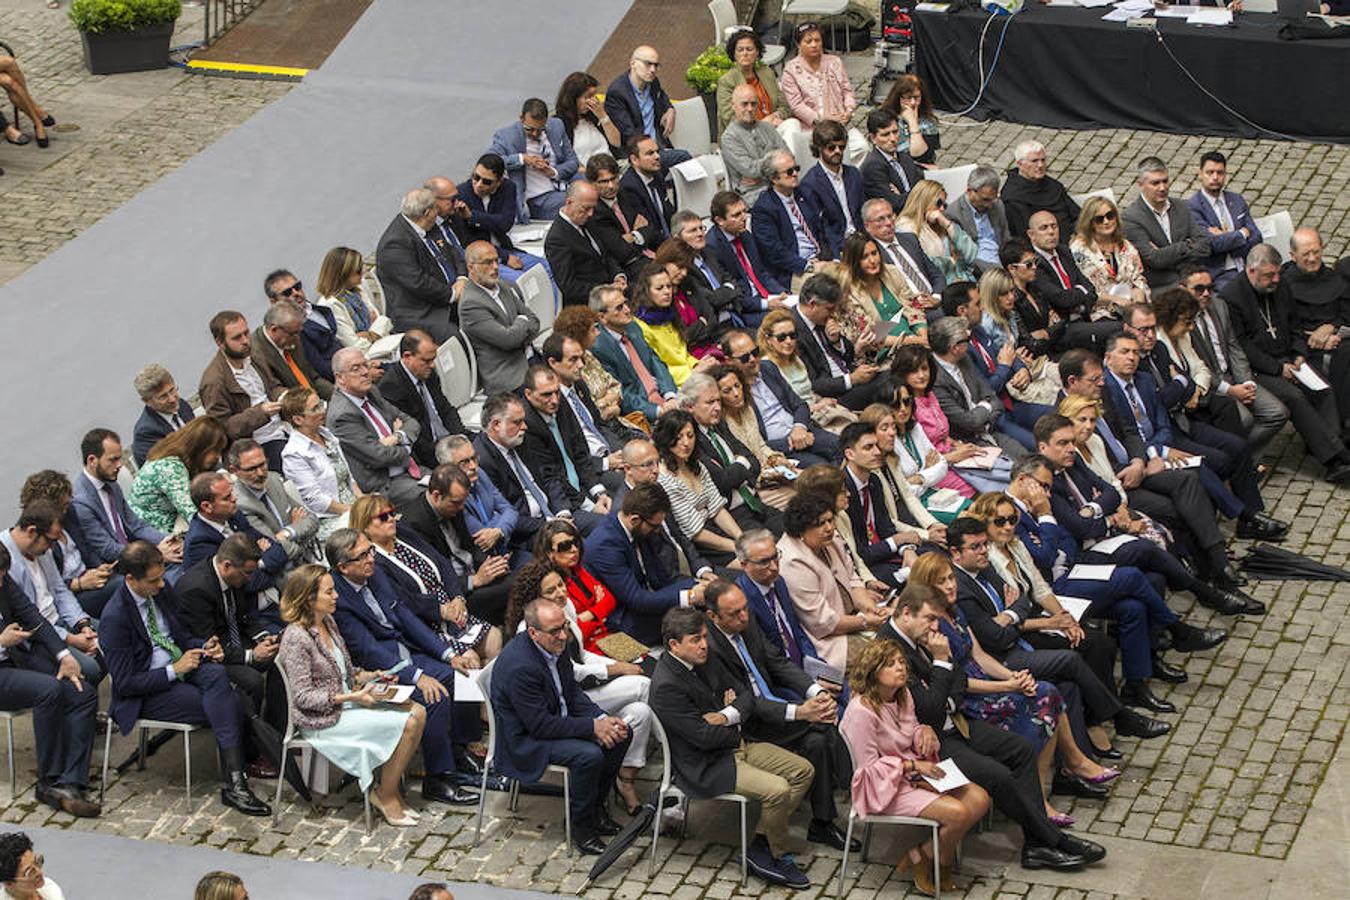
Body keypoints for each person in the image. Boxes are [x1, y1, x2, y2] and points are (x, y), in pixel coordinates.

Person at [879, 583, 1106, 872]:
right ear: (907, 613)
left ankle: (1037, 845)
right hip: (928, 746)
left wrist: (944, 685)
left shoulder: (918, 635)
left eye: (937, 619)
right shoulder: (890, 647)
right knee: (998, 774)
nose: (936, 627)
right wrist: (941, 662)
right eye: (930, 619)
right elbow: (929, 708)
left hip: (955, 723)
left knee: (1020, 749)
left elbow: (958, 683)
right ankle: (1054, 840)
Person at [906, 550, 1103, 827]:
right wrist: (1006, 685)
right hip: (969, 699)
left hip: (988, 680)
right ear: (926, 587)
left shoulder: (955, 611)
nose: (951, 585)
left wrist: (1014, 677)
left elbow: (979, 655)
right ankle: (1045, 790)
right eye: (942, 581)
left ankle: (1056, 775)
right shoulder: (929, 626)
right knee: (1044, 698)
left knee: (1045, 691)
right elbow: (957, 681)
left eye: (951, 578)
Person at [101, 541, 272, 815]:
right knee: (230, 700)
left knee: (218, 676)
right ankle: (236, 781)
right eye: (153, 580)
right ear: (131, 579)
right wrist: (174, 670)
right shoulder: (115, 618)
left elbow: (179, 634)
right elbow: (125, 684)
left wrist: (204, 645)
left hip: (183, 664)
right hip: (150, 689)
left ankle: (235, 780)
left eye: (161, 577)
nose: (160, 585)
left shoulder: (162, 590)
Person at [649, 606, 814, 888]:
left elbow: (745, 694)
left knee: (803, 771)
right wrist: (734, 718)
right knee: (778, 790)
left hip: (733, 743)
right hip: (705, 765)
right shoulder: (667, 685)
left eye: (703, 636)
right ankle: (777, 855)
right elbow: (702, 737)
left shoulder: (704, 657)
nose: (704, 644)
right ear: (674, 645)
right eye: (695, 639)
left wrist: (727, 716)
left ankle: (761, 844)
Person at [702, 579, 856, 850]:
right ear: (713, 616)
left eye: (745, 609)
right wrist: (800, 712)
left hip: (773, 702)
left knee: (818, 736)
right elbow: (746, 702)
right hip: (748, 725)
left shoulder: (746, 624)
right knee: (822, 726)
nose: (744, 617)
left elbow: (777, 662)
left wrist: (814, 692)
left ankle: (823, 821)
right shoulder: (709, 649)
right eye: (734, 613)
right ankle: (848, 790)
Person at [276, 561, 428, 825]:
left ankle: (387, 790)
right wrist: (352, 698)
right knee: (410, 721)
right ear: (309, 599)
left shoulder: (329, 622)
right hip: (323, 719)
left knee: (418, 710)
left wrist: (371, 676)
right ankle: (386, 794)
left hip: (348, 703)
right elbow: (303, 697)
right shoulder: (295, 638)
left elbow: (343, 670)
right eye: (329, 592)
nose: (336, 596)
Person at [502, 558, 653, 816]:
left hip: (570, 699)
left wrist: (603, 718)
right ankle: (589, 814)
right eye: (551, 591)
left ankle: (623, 777)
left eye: (561, 585)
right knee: (640, 688)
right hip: (543, 725)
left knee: (637, 714)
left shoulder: (561, 616)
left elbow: (576, 661)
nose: (561, 593)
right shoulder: (532, 639)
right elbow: (545, 714)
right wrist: (612, 672)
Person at [1100, 332, 1286, 541]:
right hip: (1139, 458)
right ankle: (1246, 517)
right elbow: (1124, 437)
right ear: (1108, 358)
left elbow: (1162, 423)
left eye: (1135, 352)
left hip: (1164, 442)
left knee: (1232, 449)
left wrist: (1162, 448)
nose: (1132, 358)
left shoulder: (1144, 380)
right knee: (1197, 469)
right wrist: (1156, 453)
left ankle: (1249, 515)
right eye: (1124, 352)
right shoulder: (1106, 390)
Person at [841, 638, 990, 893]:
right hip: (882, 785)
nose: (900, 668)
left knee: (980, 799)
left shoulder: (902, 695)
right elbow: (868, 768)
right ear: (873, 671)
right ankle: (939, 863)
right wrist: (912, 766)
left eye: (901, 662)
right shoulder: (860, 712)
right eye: (891, 664)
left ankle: (920, 854)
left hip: (910, 774)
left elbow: (911, 729)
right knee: (958, 814)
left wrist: (925, 730)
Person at [490, 598, 631, 855]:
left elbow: (572, 693)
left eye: (564, 626)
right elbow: (540, 726)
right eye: (555, 631)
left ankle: (595, 808)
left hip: (555, 720)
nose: (564, 635)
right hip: (527, 739)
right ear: (533, 632)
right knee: (588, 756)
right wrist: (591, 728)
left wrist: (600, 719)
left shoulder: (555, 645)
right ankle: (582, 827)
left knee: (620, 734)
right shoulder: (520, 667)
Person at [1221, 245, 1350, 479]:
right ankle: (1334, 461)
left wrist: (1299, 352)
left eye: (1277, 274)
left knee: (1323, 389)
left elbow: (1295, 324)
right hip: (1261, 369)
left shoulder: (1280, 287)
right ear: (1251, 272)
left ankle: (1331, 446)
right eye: (1269, 276)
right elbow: (1242, 346)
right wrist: (1279, 368)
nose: (1276, 280)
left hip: (1289, 358)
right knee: (1294, 397)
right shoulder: (1232, 298)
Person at [0, 545, 100, 818]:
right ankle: (49, 779)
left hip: (14, 661)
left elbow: (32, 616)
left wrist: (64, 655)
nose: (0, 583)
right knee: (49, 690)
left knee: (83, 691)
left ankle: (71, 781)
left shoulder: (3, 580)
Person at [353, 493, 502, 666]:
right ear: (365, 527)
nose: (391, 519)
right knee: (471, 662)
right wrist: (442, 610)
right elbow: (404, 601)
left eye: (392, 513)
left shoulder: (402, 532)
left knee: (495, 639)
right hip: (427, 624)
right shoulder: (373, 562)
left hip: (453, 609)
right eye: (383, 517)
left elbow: (442, 563)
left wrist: (457, 598)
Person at [777, 491, 887, 670]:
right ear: (801, 529)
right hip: (831, 640)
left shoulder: (831, 539)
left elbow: (853, 579)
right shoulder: (791, 562)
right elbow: (823, 623)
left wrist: (871, 608)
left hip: (855, 619)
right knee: (888, 655)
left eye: (830, 520)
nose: (829, 528)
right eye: (821, 524)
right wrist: (866, 621)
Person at [583, 483, 703, 646]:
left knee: (713, 596)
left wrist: (697, 585)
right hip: (623, 623)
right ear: (634, 520)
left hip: (648, 600)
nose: (658, 530)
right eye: (655, 526)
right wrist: (690, 596)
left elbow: (662, 579)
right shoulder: (605, 547)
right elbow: (638, 600)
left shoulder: (641, 528)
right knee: (698, 622)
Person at [395, 464, 514, 627]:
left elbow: (470, 545)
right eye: (456, 502)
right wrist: (475, 580)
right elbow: (435, 578)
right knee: (519, 583)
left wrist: (493, 563)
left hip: (474, 575)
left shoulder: (454, 507)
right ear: (437, 496)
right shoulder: (414, 524)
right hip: (458, 595)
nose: (462, 508)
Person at [0, 505, 104, 687]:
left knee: (115, 637)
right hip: (35, 639)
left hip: (59, 621)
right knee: (89, 669)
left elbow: (61, 591)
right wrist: (70, 640)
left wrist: (82, 624)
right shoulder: (6, 559)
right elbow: (26, 618)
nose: (51, 548)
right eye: (50, 541)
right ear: (32, 531)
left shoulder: (41, 550)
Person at [891, 345, 1005, 494]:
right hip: (935, 468)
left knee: (1002, 470)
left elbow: (942, 434)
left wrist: (959, 445)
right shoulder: (905, 406)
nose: (921, 375)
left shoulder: (930, 394)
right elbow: (920, 458)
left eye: (924, 369)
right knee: (981, 490)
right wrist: (953, 456)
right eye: (914, 371)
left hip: (952, 454)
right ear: (902, 374)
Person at [68, 429, 182, 570]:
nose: (120, 465)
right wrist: (156, 554)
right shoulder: (81, 502)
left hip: (134, 552)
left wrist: (166, 541)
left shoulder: (111, 484)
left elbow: (136, 525)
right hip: (116, 566)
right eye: (113, 460)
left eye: (120, 458)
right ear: (92, 460)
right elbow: (107, 549)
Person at [328, 347, 424, 506]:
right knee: (440, 493)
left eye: (365, 365)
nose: (365, 372)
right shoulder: (342, 416)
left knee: (455, 477)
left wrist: (397, 437)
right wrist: (407, 446)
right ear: (340, 378)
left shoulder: (371, 392)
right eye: (355, 369)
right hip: (385, 485)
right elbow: (380, 456)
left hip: (407, 468)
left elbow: (411, 422)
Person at [519, 367, 610, 533]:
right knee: (608, 525)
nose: (554, 400)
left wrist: (598, 492)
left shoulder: (560, 403)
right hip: (563, 500)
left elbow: (580, 450)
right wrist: (589, 505)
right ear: (528, 394)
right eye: (546, 394)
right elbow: (550, 475)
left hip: (582, 482)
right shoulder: (526, 423)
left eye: (556, 392)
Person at [653, 409, 744, 564]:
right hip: (700, 545)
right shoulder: (664, 478)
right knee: (755, 564)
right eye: (678, 437)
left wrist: (741, 539)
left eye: (690, 435)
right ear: (666, 439)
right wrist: (736, 547)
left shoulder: (697, 466)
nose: (686, 443)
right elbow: (695, 532)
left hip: (716, 530)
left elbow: (717, 508)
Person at [376, 187, 465, 343]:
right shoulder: (395, 244)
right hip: (419, 310)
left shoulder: (428, 225)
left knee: (484, 308)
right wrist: (452, 294)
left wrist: (463, 278)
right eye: (435, 209)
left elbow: (452, 252)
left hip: (448, 292)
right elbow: (418, 282)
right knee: (454, 336)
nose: (437, 213)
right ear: (427, 213)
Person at [793, 272, 892, 410]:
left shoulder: (823, 320)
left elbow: (849, 354)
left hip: (850, 376)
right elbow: (813, 382)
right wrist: (852, 379)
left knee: (903, 367)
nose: (833, 313)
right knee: (892, 381)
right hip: (835, 396)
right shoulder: (792, 332)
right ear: (813, 304)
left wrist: (836, 341)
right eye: (830, 309)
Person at [860, 400, 969, 526]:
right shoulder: (870, 468)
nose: (892, 433)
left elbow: (941, 464)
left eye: (893, 427)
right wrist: (926, 532)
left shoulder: (891, 459)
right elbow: (896, 508)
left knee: (977, 511)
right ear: (870, 434)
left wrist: (919, 477)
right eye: (884, 429)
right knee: (967, 521)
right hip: (904, 520)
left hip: (924, 501)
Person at [197, 310, 286, 462]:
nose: (245, 340)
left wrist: (285, 395)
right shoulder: (213, 382)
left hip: (284, 426)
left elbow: (273, 385)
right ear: (220, 343)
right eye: (237, 337)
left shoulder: (252, 354)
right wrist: (261, 413)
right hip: (257, 446)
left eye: (246, 333)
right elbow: (223, 429)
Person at [1028, 210, 1121, 352]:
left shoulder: (1063, 251)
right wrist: (1080, 292)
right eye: (1044, 228)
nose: (1051, 232)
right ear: (1031, 235)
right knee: (1119, 329)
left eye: (1054, 226)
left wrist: (1078, 294)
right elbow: (1061, 299)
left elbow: (1090, 289)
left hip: (1085, 315)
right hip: (1063, 328)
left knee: (1129, 320)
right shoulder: (1033, 264)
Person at [710, 363, 802, 507]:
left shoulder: (747, 409)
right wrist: (768, 475)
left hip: (770, 472)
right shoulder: (721, 425)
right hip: (752, 485)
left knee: (812, 481)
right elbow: (740, 465)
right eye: (727, 391)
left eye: (737, 385)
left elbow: (760, 445)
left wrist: (776, 459)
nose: (736, 393)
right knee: (803, 496)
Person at [376, 331, 467, 473]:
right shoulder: (391, 387)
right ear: (407, 357)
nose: (432, 365)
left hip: (450, 440)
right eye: (426, 360)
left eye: (433, 359)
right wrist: (448, 453)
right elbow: (415, 437)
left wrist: (461, 437)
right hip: (430, 454)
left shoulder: (428, 373)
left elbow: (445, 409)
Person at [1283, 226, 1350, 421]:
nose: (1312, 259)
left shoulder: (1335, 278)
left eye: (1316, 252)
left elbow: (1345, 313)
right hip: (1303, 347)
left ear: (1323, 248)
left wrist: (1331, 330)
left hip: (1338, 342)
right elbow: (1286, 326)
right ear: (1293, 256)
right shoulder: (1284, 286)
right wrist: (1312, 337)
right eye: (1306, 254)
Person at [756, 308, 857, 433]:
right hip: (801, 422)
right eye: (781, 337)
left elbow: (808, 391)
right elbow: (785, 408)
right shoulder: (767, 367)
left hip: (819, 409)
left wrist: (821, 400)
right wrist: (817, 406)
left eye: (792, 336)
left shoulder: (796, 359)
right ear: (769, 340)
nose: (788, 341)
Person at [278, 388, 360, 541]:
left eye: (321, 404)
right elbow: (315, 500)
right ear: (298, 420)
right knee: (374, 527)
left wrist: (363, 502)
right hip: (329, 518)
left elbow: (349, 478)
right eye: (315, 408)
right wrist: (353, 512)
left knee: (384, 514)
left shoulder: (327, 435)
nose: (322, 410)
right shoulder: (294, 453)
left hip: (352, 506)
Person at [460, 241, 541, 394]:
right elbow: (508, 340)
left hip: (530, 359)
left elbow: (535, 322)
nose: (495, 267)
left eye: (496, 261)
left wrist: (517, 330)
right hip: (509, 377)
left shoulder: (503, 286)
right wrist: (522, 321)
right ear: (471, 268)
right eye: (487, 263)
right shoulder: (470, 304)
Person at [590, 283, 679, 421]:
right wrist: (657, 410)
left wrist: (670, 395)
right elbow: (620, 392)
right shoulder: (599, 347)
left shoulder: (632, 326)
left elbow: (654, 361)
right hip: (642, 411)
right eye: (619, 308)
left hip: (664, 398)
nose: (627, 310)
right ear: (602, 317)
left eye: (625, 303)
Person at [128, 416, 230, 535]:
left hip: (170, 518)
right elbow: (192, 515)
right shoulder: (170, 468)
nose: (217, 457)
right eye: (215, 451)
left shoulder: (175, 450)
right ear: (200, 448)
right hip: (155, 530)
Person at [1121, 157, 1211, 289]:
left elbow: (1205, 246)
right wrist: (1188, 244)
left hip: (1191, 280)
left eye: (1165, 181)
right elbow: (1155, 260)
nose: (1162, 188)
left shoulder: (1181, 206)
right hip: (1161, 286)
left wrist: (1166, 252)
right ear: (1140, 184)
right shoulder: (1131, 218)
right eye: (1155, 183)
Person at [835, 231, 927, 360]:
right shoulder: (849, 292)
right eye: (864, 257)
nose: (872, 260)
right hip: (883, 353)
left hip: (914, 341)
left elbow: (913, 308)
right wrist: (912, 341)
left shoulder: (892, 273)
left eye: (874, 253)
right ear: (854, 262)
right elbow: (870, 335)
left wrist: (923, 335)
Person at [458, 154, 549, 283]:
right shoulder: (462, 195)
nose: (479, 184)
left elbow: (505, 223)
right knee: (524, 281)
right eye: (476, 177)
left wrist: (472, 216)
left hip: (507, 248)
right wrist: (504, 257)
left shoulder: (508, 187)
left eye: (487, 182)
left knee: (548, 269)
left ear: (499, 182)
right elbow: (469, 242)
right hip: (485, 259)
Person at [487, 98, 579, 223]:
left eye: (540, 129)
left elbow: (573, 161)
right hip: (539, 198)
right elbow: (490, 162)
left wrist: (552, 171)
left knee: (596, 188)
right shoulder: (506, 136)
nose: (535, 133)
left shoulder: (557, 125)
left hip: (564, 184)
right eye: (529, 129)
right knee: (583, 200)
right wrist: (522, 159)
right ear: (521, 118)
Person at [706, 190, 789, 326]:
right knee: (785, 322)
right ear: (720, 220)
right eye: (736, 215)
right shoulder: (712, 248)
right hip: (746, 309)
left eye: (744, 211)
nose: (744, 217)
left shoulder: (745, 235)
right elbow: (732, 293)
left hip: (765, 297)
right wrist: (765, 304)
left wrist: (782, 293)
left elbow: (761, 273)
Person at [734, 529, 817, 665]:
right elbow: (767, 658)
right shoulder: (742, 601)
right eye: (764, 562)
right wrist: (810, 684)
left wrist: (816, 666)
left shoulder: (779, 582)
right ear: (744, 565)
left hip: (804, 665)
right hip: (782, 675)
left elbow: (797, 630)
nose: (774, 567)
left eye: (775, 557)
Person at [603, 46, 690, 170]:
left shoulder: (653, 82)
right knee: (684, 158)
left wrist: (670, 109)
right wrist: (653, 151)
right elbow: (629, 134)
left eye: (656, 65)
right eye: (648, 64)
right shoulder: (617, 93)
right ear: (633, 63)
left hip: (658, 146)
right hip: (638, 154)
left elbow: (662, 96)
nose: (653, 69)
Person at [1186, 150, 1262, 288]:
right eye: (1210, 172)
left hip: (1248, 267)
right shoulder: (1192, 207)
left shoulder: (1236, 200)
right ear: (1200, 174)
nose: (1215, 177)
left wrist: (1226, 239)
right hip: (1220, 274)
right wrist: (1242, 234)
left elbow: (1256, 237)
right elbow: (1211, 244)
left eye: (1220, 173)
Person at [545, 181, 627, 308]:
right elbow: (569, 287)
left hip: (611, 290)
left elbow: (606, 255)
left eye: (593, 208)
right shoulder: (557, 239)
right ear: (569, 202)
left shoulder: (588, 221)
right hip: (589, 303)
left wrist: (618, 275)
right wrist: (606, 290)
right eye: (586, 208)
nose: (591, 213)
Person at [751, 149, 825, 288]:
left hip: (820, 259)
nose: (795, 174)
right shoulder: (764, 209)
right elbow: (774, 252)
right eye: (789, 172)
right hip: (793, 271)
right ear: (774, 179)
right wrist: (807, 265)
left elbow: (821, 228)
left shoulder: (804, 193)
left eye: (796, 168)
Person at [632, 263, 711, 386]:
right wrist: (694, 372)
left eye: (669, 286)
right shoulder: (640, 326)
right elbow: (656, 369)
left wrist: (698, 364)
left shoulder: (669, 313)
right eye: (659, 288)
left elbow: (683, 355)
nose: (667, 292)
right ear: (646, 291)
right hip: (676, 386)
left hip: (691, 375)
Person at [798, 120, 864, 260]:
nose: (837, 152)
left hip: (862, 240)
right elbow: (818, 230)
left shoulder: (854, 174)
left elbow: (862, 212)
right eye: (831, 148)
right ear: (819, 148)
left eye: (841, 147)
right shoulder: (809, 184)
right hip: (837, 248)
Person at [1070, 196, 1149, 312]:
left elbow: (1138, 278)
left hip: (1131, 306)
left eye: (1110, 216)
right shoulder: (1079, 250)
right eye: (1099, 219)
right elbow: (1086, 291)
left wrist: (1138, 300)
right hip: (1099, 311)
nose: (1106, 222)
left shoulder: (1125, 245)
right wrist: (1116, 300)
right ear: (1090, 223)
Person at [264, 269, 344, 383]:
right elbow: (320, 367)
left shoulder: (317, 309)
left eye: (297, 286)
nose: (296, 293)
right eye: (287, 293)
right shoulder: (294, 330)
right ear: (274, 302)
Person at [861, 198, 945, 303]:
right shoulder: (871, 253)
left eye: (890, 216)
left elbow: (936, 274)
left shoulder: (909, 239)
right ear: (867, 226)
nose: (888, 223)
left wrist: (936, 297)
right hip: (910, 309)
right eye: (880, 219)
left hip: (935, 299)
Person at [779, 21, 856, 132]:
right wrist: (822, 119)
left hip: (840, 122)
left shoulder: (835, 62)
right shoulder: (791, 70)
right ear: (798, 44)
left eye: (817, 40)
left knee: (861, 146)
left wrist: (848, 110)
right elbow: (796, 105)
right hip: (811, 127)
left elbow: (847, 91)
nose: (814, 45)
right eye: (808, 41)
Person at [250, 300, 334, 401]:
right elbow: (275, 392)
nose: (298, 338)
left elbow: (313, 378)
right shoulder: (256, 353)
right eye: (293, 333)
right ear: (274, 330)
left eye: (299, 332)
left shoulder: (292, 338)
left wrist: (338, 396)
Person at [719, 84, 788, 206]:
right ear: (733, 106)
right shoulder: (729, 137)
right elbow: (751, 170)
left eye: (754, 104)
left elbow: (788, 157)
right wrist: (777, 161)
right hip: (754, 195)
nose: (750, 109)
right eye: (744, 104)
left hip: (780, 185)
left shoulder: (767, 128)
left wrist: (762, 173)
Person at [314, 246, 390, 354]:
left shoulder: (356, 290)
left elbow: (383, 320)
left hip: (382, 346)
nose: (363, 273)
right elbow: (357, 348)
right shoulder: (331, 304)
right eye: (358, 271)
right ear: (342, 275)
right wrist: (375, 331)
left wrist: (368, 334)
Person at [999, 139, 1080, 238]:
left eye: (1043, 160)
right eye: (1034, 161)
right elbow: (1023, 234)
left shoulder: (1053, 185)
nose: (1040, 165)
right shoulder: (1013, 198)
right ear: (1020, 164)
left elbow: (1077, 214)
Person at [715, 28, 787, 134]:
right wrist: (762, 125)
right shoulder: (727, 81)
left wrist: (775, 116)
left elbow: (784, 106)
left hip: (774, 127)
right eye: (740, 50)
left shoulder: (767, 73)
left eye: (749, 49)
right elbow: (730, 119)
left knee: (792, 124)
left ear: (757, 52)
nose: (745, 53)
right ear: (734, 54)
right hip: (745, 135)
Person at [130, 364, 195, 468]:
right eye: (163, 396)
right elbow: (167, 472)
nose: (172, 399)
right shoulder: (146, 433)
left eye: (172, 390)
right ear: (147, 401)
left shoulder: (182, 405)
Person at [946, 166, 1008, 274]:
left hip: (1002, 258)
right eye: (985, 199)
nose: (989, 205)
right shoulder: (954, 213)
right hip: (979, 267)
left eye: (992, 199)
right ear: (970, 191)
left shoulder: (996, 204)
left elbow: (1005, 236)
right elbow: (964, 254)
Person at [860, 108, 922, 214]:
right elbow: (894, 204)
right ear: (873, 138)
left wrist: (903, 195)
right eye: (885, 134)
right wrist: (915, 194)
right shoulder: (873, 166)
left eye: (895, 132)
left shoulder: (905, 157)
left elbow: (923, 187)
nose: (893, 138)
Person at [555, 72, 621, 166]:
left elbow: (616, 143)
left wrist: (602, 116)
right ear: (573, 98)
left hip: (612, 166)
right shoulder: (559, 123)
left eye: (594, 95)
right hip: (587, 174)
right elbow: (565, 160)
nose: (593, 100)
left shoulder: (595, 115)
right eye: (588, 97)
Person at [879, 73, 940, 167]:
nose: (913, 103)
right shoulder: (885, 118)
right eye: (908, 98)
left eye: (916, 97)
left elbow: (922, 155)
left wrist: (912, 122)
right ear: (899, 98)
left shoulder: (929, 123)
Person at [0, 831, 65, 899]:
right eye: (29, 872)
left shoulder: (50, 888)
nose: (40, 872)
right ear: (9, 883)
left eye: (37, 862)